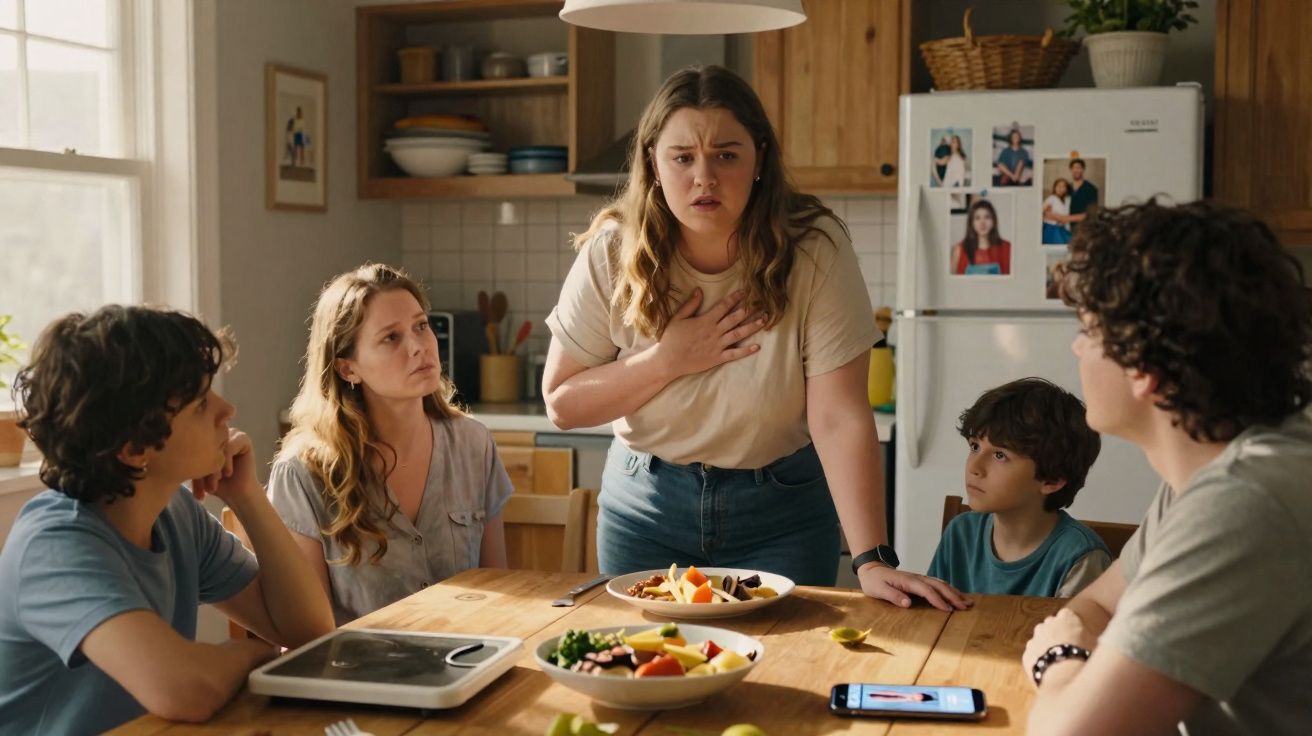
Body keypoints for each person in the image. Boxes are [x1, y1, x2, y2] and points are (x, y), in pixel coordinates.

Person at [544, 65, 969, 611]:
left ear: (759, 158)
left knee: (788, 673)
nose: (705, 177)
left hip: (783, 513)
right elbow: (561, 404)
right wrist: (669, 358)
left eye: (726, 154)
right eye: (683, 157)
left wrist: (872, 558)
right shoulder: (611, 251)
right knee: (646, 667)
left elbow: (838, 415)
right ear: (653, 161)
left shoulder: (815, 248)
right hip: (645, 511)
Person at [1021, 199, 1312, 734]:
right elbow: (1096, 604)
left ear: (1145, 369)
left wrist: (1056, 658)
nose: (1076, 347)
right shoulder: (1213, 466)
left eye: (1088, 330)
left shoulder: (1244, 503)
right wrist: (1079, 650)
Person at [0, 306, 334, 733]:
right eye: (199, 404)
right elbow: (184, 690)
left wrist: (247, 496)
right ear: (135, 448)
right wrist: (258, 655)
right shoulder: (53, 546)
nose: (227, 409)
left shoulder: (174, 513)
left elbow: (308, 630)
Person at [269, 264, 511, 626]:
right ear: (348, 369)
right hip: (359, 676)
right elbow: (304, 634)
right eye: (390, 338)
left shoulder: (472, 443)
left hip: (469, 664)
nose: (419, 347)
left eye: (421, 326)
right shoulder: (304, 473)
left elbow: (501, 595)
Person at [927, 378, 1109, 598]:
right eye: (975, 447)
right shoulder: (960, 533)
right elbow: (931, 621)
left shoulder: (1080, 557)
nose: (974, 467)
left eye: (999, 455)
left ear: (1051, 479)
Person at [950, 198, 1011, 276]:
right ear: (971, 223)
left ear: (993, 221)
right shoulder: (958, 250)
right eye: (977, 218)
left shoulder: (1007, 248)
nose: (982, 222)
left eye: (987, 217)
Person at [1066, 158, 1098, 232]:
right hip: (1066, 228)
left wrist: (1065, 218)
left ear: (1083, 169)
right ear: (1071, 170)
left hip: (1084, 229)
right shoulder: (1066, 188)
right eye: (1074, 168)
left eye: (1079, 167)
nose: (1076, 170)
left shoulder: (1091, 189)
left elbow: (1092, 213)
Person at [1042, 178, 1073, 245]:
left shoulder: (1067, 200)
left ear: (1066, 189)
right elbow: (1040, 211)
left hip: (1062, 228)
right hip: (1051, 228)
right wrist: (1046, 213)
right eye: (1058, 186)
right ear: (1055, 188)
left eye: (1063, 187)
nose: (1060, 189)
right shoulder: (1051, 198)